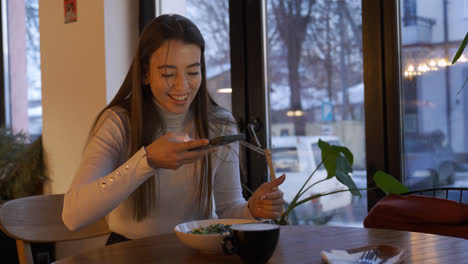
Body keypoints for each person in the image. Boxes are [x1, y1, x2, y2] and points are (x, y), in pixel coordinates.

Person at [62, 14, 286, 244]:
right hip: (131, 252)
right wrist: (147, 161)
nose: (182, 86)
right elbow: (73, 215)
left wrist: (253, 210)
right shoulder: (119, 122)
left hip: (199, 250)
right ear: (145, 74)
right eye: (168, 74)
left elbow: (229, 209)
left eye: (192, 72)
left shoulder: (219, 123)